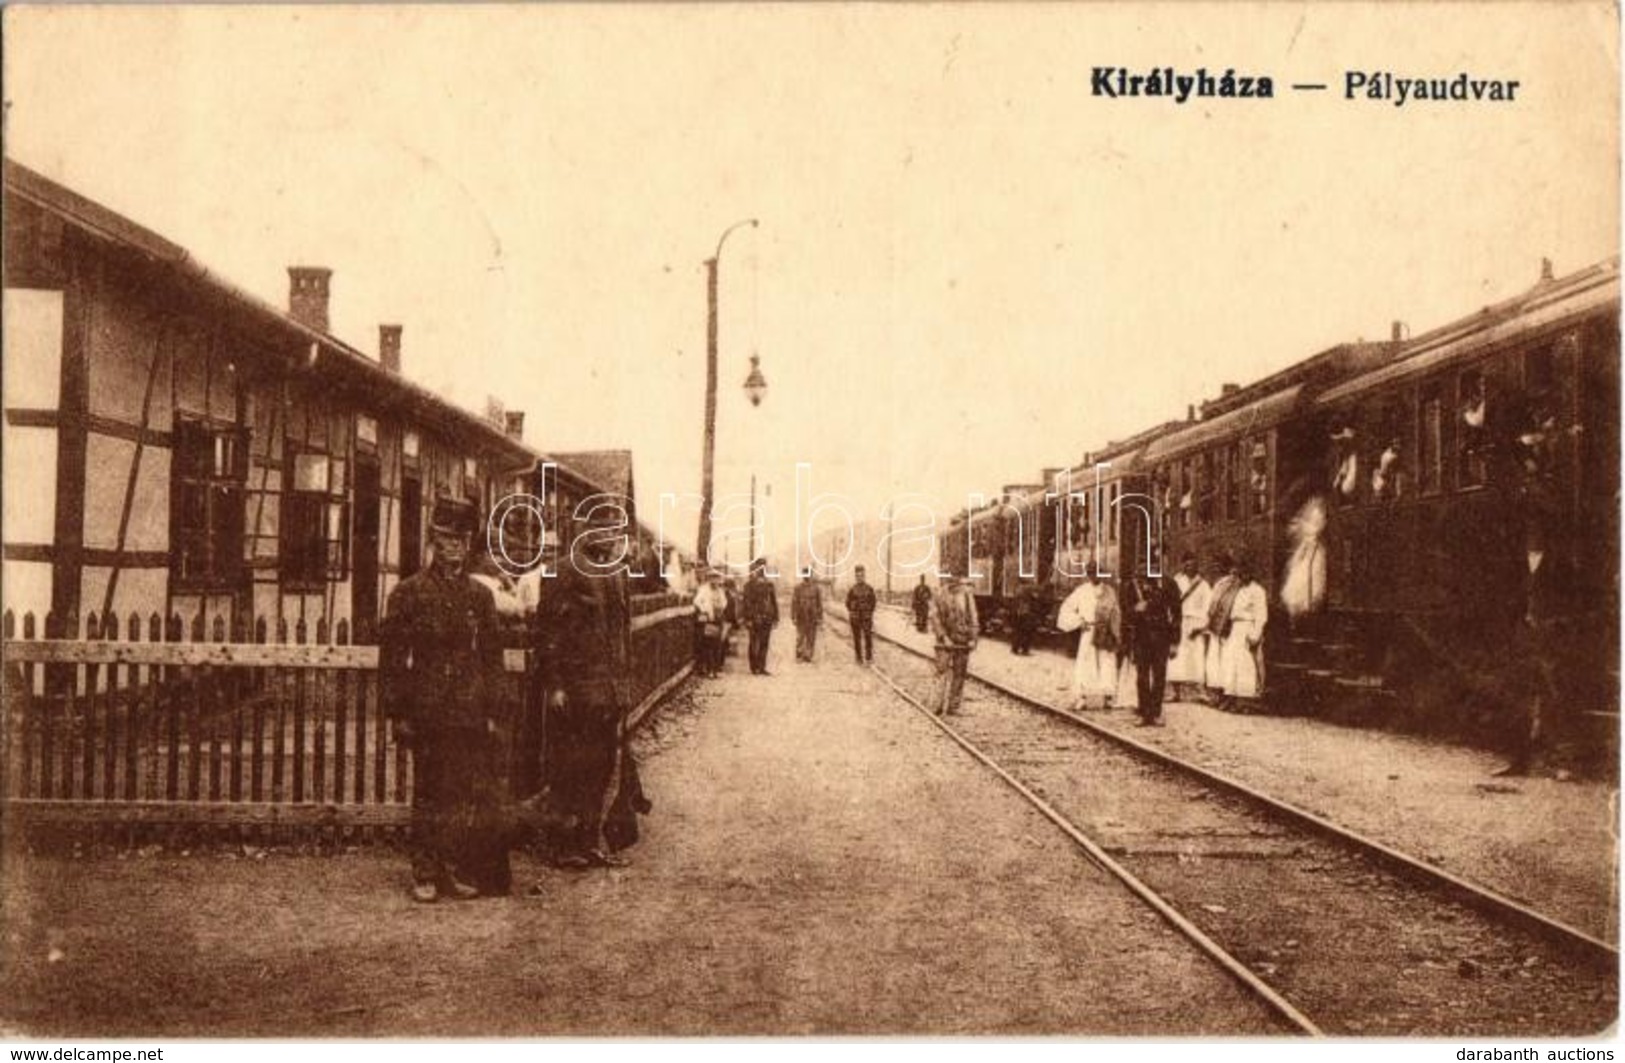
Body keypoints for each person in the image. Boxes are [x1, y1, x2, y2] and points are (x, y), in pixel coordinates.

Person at [380, 498, 511, 902]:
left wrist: (492, 711)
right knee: (429, 791)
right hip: (428, 709)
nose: (455, 547)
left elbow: (492, 659)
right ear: (433, 540)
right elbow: (392, 662)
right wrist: (398, 712)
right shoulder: (409, 593)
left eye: (462, 539)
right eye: (447, 538)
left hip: (469, 710)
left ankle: (450, 869)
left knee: (460, 793)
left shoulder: (479, 597)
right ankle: (424, 871)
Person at [536, 518, 636, 869]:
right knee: (568, 768)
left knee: (601, 766)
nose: (611, 541)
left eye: (614, 534)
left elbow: (622, 634)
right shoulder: (559, 571)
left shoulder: (617, 576)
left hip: (607, 693)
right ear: (586, 534)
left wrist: (622, 687)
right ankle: (563, 845)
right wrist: (557, 684)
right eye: (604, 533)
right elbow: (548, 633)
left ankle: (589, 841)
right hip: (576, 691)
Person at [1124, 567, 1181, 726]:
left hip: (1162, 637)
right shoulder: (1134, 584)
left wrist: (1175, 642)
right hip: (1141, 637)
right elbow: (1126, 612)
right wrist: (1136, 609)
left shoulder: (1169, 584)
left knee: (1159, 676)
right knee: (1142, 676)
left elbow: (1176, 614)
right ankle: (1143, 713)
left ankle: (1156, 713)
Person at [1058, 565, 1120, 710]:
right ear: (1088, 574)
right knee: (1085, 665)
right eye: (1091, 573)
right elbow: (1066, 608)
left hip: (1106, 633)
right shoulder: (1081, 591)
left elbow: (1116, 613)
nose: (1094, 576)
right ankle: (1082, 697)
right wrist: (1079, 622)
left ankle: (1108, 697)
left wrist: (1115, 633)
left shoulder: (1109, 591)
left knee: (1107, 663)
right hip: (1089, 631)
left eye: (1098, 573)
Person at [1218, 557, 1269, 711]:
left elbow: (1261, 615)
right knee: (1230, 663)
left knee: (1245, 664)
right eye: (1241, 572)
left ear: (1252, 573)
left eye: (1247, 573)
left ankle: (1245, 700)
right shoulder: (1237, 590)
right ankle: (1231, 696)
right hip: (1235, 628)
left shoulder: (1258, 591)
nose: (1243, 575)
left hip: (1248, 628)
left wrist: (1255, 635)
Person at [930, 572, 979, 715]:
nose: (953, 580)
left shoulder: (966, 594)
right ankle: (937, 705)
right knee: (941, 671)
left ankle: (954, 706)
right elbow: (934, 617)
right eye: (950, 577)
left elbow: (973, 617)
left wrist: (973, 638)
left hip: (962, 640)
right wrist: (943, 636)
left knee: (959, 673)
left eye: (956, 577)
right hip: (944, 642)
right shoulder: (938, 594)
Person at [1168, 554, 1211, 702]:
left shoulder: (1203, 585)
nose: (1189, 568)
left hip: (1196, 623)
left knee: (1197, 656)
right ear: (1183, 565)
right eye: (1187, 565)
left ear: (1197, 566)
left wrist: (1201, 627)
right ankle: (1176, 692)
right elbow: (1171, 602)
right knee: (1177, 656)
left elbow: (1208, 607)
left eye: (1192, 565)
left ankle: (1200, 691)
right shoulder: (1177, 581)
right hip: (1180, 621)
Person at [1203, 554, 1242, 705]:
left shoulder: (1236, 584)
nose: (1216, 567)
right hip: (1216, 626)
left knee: (1226, 662)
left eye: (1219, 565)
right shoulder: (1219, 583)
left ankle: (1226, 696)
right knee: (1215, 662)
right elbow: (1212, 604)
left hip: (1227, 627)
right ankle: (1217, 694)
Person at [742, 560, 779, 675]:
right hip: (754, 618)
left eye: (763, 568)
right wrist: (747, 619)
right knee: (753, 642)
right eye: (759, 568)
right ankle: (754, 667)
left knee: (764, 643)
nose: (761, 570)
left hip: (766, 617)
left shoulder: (769, 585)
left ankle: (762, 667)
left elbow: (773, 602)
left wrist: (776, 617)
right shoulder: (748, 586)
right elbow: (746, 603)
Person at [692, 570, 729, 677]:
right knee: (709, 645)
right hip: (709, 620)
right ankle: (709, 669)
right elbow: (697, 601)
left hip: (718, 619)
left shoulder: (720, 591)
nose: (715, 580)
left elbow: (725, 602)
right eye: (712, 578)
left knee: (717, 645)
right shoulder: (704, 589)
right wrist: (705, 610)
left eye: (716, 578)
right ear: (709, 579)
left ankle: (714, 669)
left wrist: (721, 607)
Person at [846, 565, 878, 664]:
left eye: (861, 575)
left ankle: (868, 657)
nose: (860, 577)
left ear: (864, 576)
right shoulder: (852, 590)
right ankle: (859, 658)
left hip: (866, 617)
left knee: (868, 637)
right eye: (858, 575)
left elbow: (873, 602)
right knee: (857, 638)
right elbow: (847, 603)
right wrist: (853, 611)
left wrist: (868, 612)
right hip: (855, 618)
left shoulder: (869, 589)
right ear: (855, 577)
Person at [1009, 574, 1047, 656]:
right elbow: (1040, 589)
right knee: (1027, 632)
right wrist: (1047, 579)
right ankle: (1024, 650)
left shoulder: (1017, 588)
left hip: (1018, 612)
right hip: (1025, 613)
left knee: (1018, 631)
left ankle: (1014, 649)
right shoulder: (1027, 588)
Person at [791, 573, 823, 662]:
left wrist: (820, 617)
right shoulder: (798, 588)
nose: (807, 577)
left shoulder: (816, 589)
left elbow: (819, 604)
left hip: (813, 616)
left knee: (811, 636)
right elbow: (794, 602)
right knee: (800, 636)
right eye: (805, 575)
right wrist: (793, 616)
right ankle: (799, 654)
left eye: (808, 575)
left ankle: (808, 655)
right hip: (801, 615)